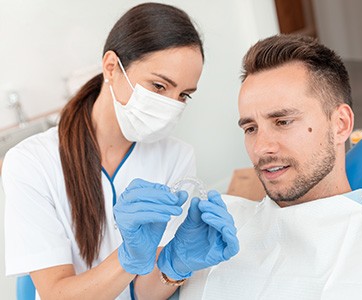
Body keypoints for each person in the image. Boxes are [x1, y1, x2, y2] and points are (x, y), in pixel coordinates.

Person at [2, 3, 238, 299]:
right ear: (112, 67)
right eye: (159, 86)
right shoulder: (31, 162)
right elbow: (56, 293)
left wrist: (175, 266)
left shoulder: (177, 156)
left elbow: (145, 293)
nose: (171, 105)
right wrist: (127, 258)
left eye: (183, 95)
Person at [176, 34, 362, 299]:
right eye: (250, 128)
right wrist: (169, 273)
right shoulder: (220, 229)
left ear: (340, 124)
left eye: (282, 122)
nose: (261, 148)